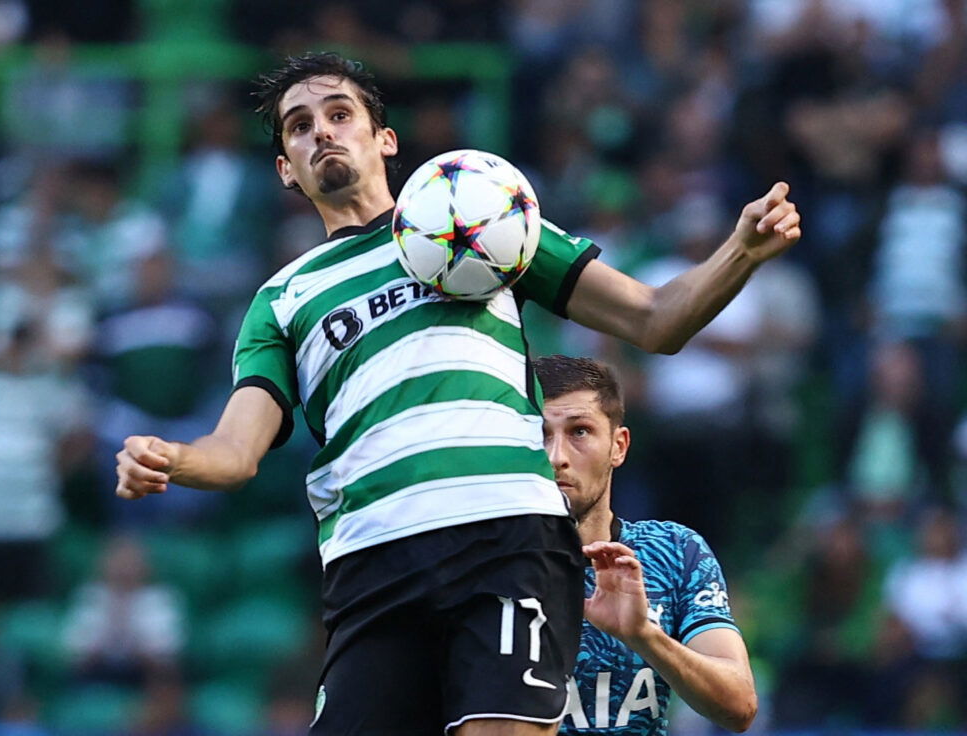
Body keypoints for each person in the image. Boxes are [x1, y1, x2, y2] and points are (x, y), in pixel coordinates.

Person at [114, 52, 800, 736]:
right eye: (297, 127)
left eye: (339, 113)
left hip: (505, 539)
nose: (320, 131)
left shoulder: (482, 211)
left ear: (384, 138)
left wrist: (738, 250)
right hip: (371, 562)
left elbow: (655, 318)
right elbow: (236, 453)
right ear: (285, 170)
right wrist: (172, 459)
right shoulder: (281, 299)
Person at [534, 355, 757, 734]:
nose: (557, 457)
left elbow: (739, 706)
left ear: (618, 446)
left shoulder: (674, 551)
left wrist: (645, 636)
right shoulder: (475, 561)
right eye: (539, 434)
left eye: (580, 432)